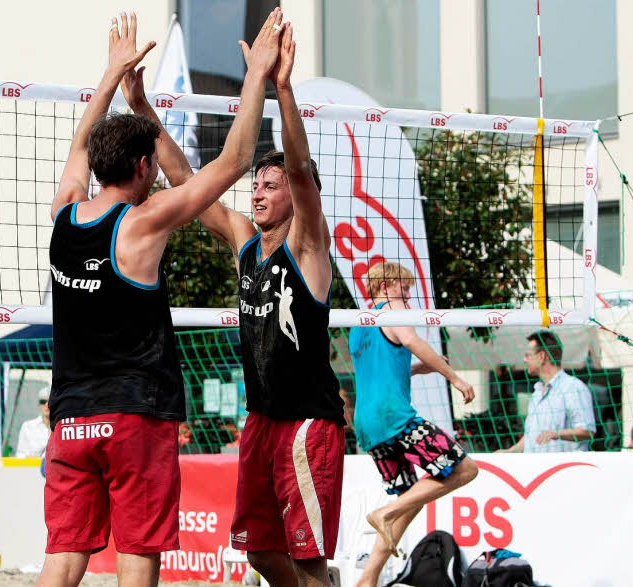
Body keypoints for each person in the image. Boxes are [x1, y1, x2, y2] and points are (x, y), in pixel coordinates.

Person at [39, 10, 282, 587]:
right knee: (138, 555)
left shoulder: (63, 215)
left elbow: (80, 144)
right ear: (145, 166)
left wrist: (111, 76)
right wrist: (257, 79)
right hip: (134, 415)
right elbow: (232, 163)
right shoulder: (142, 223)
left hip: (70, 418)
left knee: (63, 558)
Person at [126, 17, 340, 586]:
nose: (260, 191)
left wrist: (281, 88)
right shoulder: (246, 243)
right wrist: (144, 110)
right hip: (261, 423)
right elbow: (187, 180)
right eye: (258, 185)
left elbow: (299, 169)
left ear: (295, 198)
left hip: (306, 424)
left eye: (271, 186)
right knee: (258, 555)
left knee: (306, 560)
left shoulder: (310, 247)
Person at [348, 262, 479, 586]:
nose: (408, 297)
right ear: (387, 285)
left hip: (367, 425)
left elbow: (379, 371)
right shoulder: (394, 309)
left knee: (410, 500)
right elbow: (411, 340)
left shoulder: (357, 324)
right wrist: (455, 378)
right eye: (404, 288)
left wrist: (420, 369)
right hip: (394, 416)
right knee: (465, 469)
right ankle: (384, 514)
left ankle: (368, 579)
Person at [499, 331, 596, 453]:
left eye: (528, 355)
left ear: (542, 356)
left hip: (564, 469)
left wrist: (556, 434)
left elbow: (587, 431)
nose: (524, 359)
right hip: (537, 470)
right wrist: (510, 451)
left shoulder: (573, 388)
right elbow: (532, 437)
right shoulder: (537, 392)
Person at [15, 386, 50, 458]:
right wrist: (28, 458)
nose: (47, 405)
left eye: (50, 401)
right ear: (39, 404)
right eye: (43, 402)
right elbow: (19, 454)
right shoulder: (28, 426)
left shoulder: (61, 427)